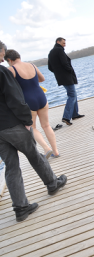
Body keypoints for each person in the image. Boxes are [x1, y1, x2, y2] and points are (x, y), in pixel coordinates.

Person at [0, 40, 67, 222]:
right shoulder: (2, 72)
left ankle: (20, 208)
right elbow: (15, 98)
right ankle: (53, 184)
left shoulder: (7, 70)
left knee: (11, 166)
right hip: (12, 125)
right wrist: (27, 121)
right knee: (34, 155)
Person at [5, 49, 60, 158]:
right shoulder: (32, 65)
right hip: (41, 97)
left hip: (28, 100)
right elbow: (42, 79)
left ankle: (46, 148)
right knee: (46, 125)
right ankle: (56, 151)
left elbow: (10, 88)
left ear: (10, 60)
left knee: (32, 128)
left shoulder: (12, 69)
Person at [48, 37, 84, 126]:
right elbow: (65, 63)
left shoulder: (51, 52)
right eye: (63, 43)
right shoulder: (59, 50)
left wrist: (58, 72)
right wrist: (70, 70)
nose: (65, 45)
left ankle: (75, 114)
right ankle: (66, 117)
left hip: (61, 77)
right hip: (66, 76)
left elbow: (50, 67)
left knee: (72, 94)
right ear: (58, 42)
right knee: (72, 95)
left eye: (65, 43)